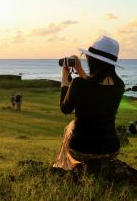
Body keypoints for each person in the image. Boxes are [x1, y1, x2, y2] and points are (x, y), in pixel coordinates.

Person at [53, 36, 125, 170]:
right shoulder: (119, 85)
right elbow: (95, 89)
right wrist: (80, 70)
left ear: (93, 60)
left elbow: (65, 109)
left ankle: (62, 166)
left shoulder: (79, 84)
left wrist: (64, 77)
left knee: (71, 125)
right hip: (111, 150)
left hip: (81, 150)